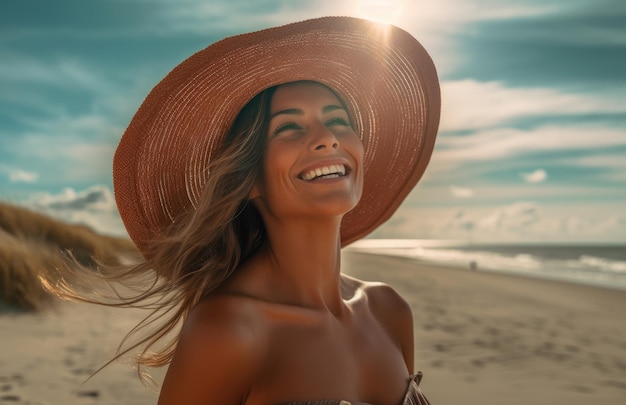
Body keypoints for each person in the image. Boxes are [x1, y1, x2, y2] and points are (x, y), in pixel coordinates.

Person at [60, 16, 440, 405]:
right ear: (251, 179)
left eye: (338, 121)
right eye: (290, 128)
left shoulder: (389, 311)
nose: (327, 139)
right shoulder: (228, 329)